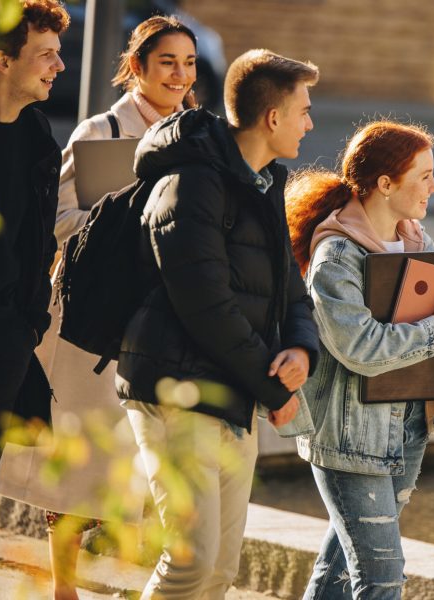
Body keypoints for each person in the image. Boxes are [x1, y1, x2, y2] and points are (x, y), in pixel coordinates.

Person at [0, 15, 198, 600]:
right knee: (79, 464)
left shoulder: (196, 134)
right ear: (136, 66)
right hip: (90, 317)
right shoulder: (102, 130)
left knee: (145, 459)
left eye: (188, 63)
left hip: (160, 318)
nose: (180, 74)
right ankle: (64, 587)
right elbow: (57, 222)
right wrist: (131, 226)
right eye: (167, 62)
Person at [116, 48, 321, 599]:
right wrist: (272, 384)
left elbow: (289, 288)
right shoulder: (190, 183)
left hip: (236, 392)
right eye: (304, 110)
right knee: (190, 563)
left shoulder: (266, 183)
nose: (310, 122)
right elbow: (206, 305)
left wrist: (301, 350)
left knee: (221, 570)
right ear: (272, 118)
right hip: (175, 390)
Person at [284, 120, 434, 599]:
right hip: (351, 438)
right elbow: (360, 348)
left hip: (407, 427)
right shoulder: (335, 257)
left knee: (340, 570)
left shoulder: (416, 239)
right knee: (382, 579)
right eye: (423, 176)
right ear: (385, 184)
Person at [0, 0, 69, 596]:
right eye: (45, 54)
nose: (58, 66)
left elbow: (37, 243)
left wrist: (26, 326)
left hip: (2, 342)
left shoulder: (38, 139)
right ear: (2, 61)